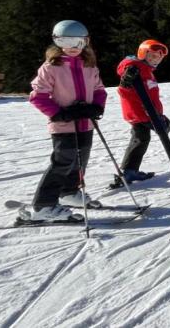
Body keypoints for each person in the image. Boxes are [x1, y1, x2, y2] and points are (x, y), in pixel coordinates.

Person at [22, 20, 106, 222]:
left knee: (80, 160)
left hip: (85, 123)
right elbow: (38, 97)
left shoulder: (89, 65)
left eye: (78, 42)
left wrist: (96, 106)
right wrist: (59, 113)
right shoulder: (51, 67)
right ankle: (43, 206)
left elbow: (99, 90)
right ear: (56, 42)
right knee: (63, 163)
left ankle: (69, 192)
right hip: (63, 125)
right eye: (65, 42)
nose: (72, 47)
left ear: (86, 42)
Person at [114, 39, 169, 188]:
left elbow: (151, 96)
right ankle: (128, 171)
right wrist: (126, 81)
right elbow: (124, 90)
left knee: (142, 139)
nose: (155, 60)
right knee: (140, 139)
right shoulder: (134, 67)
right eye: (152, 56)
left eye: (158, 58)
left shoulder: (147, 71)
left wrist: (159, 114)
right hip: (139, 113)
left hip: (148, 113)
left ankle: (130, 170)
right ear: (143, 54)